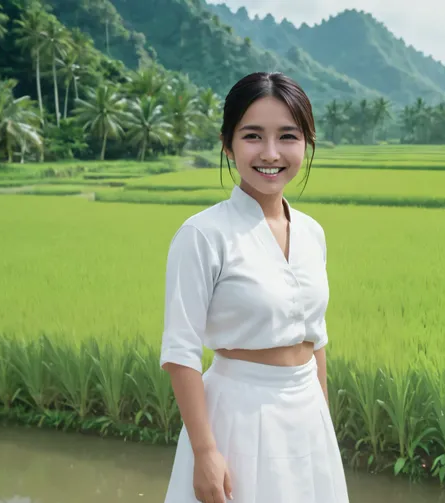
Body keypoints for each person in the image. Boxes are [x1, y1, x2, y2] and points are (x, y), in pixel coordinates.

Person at [159, 72, 350, 503]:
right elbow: (180, 352)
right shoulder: (203, 234)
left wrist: (324, 421)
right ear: (228, 144)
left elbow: (315, 337)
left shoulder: (311, 232)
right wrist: (205, 451)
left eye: (287, 136)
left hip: (307, 414)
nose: (270, 153)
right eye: (252, 136)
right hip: (237, 415)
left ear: (307, 143)